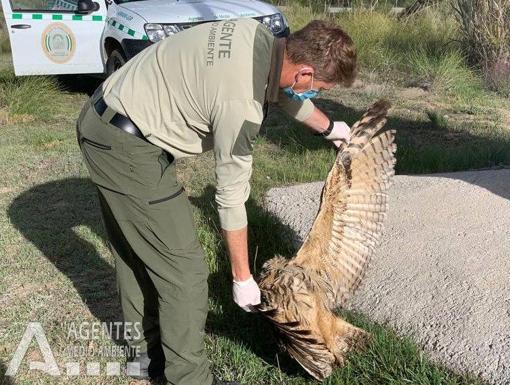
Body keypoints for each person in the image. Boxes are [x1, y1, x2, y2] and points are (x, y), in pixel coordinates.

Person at [76, 18, 357, 385]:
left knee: (138, 253)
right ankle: (187, 378)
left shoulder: (259, 38)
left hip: (106, 118)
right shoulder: (240, 104)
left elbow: (282, 90)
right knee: (185, 272)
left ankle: (145, 359)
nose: (313, 94)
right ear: (304, 72)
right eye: (318, 88)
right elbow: (230, 197)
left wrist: (328, 127)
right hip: (127, 147)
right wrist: (242, 277)